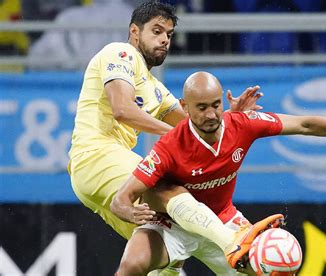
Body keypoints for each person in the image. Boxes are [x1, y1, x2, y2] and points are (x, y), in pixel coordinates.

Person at [110, 71, 326, 275]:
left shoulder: (242, 124)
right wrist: (131, 213)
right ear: (185, 107)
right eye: (202, 108)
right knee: (130, 265)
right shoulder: (169, 146)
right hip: (173, 225)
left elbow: (304, 124)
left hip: (226, 223)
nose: (213, 114)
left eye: (216, 105)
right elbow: (121, 200)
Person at [67, 1, 263, 275]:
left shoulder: (156, 90)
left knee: (164, 241)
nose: (164, 40)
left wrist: (227, 119)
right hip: (95, 155)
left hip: (99, 175)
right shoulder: (120, 53)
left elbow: (197, 127)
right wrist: (177, 136)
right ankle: (232, 242)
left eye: (169, 35)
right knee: (170, 191)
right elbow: (123, 110)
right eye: (156, 31)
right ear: (134, 31)